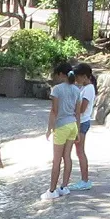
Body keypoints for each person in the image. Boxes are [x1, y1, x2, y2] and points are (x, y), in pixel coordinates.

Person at [41, 63, 80, 201]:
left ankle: (52, 190)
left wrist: (49, 129)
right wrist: (78, 131)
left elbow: (54, 111)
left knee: (56, 160)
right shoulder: (76, 90)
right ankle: (64, 187)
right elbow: (78, 112)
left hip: (61, 126)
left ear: (61, 74)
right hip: (72, 125)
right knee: (67, 157)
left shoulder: (56, 89)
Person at [70, 63, 97, 191]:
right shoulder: (85, 88)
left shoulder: (89, 89)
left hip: (82, 121)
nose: (76, 80)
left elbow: (82, 109)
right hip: (80, 121)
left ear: (85, 76)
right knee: (79, 151)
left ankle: (85, 180)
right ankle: (83, 179)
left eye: (78, 77)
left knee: (80, 152)